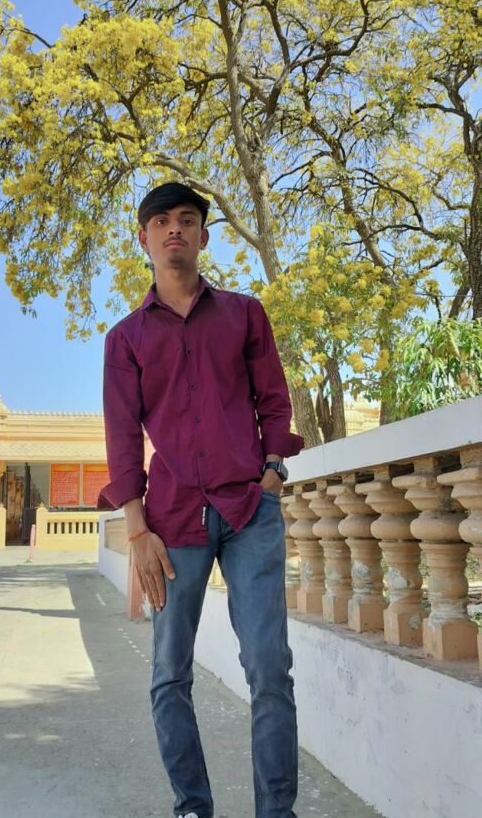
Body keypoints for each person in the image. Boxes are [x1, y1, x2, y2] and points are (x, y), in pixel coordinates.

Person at [98, 182, 304, 818]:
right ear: (144, 239)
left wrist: (273, 468)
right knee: (169, 672)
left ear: (203, 236)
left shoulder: (244, 315)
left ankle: (277, 812)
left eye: (187, 220)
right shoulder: (126, 339)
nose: (174, 230)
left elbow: (273, 398)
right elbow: (122, 435)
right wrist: (137, 530)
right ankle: (192, 807)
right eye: (161, 221)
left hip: (249, 513)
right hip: (172, 523)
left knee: (269, 667)